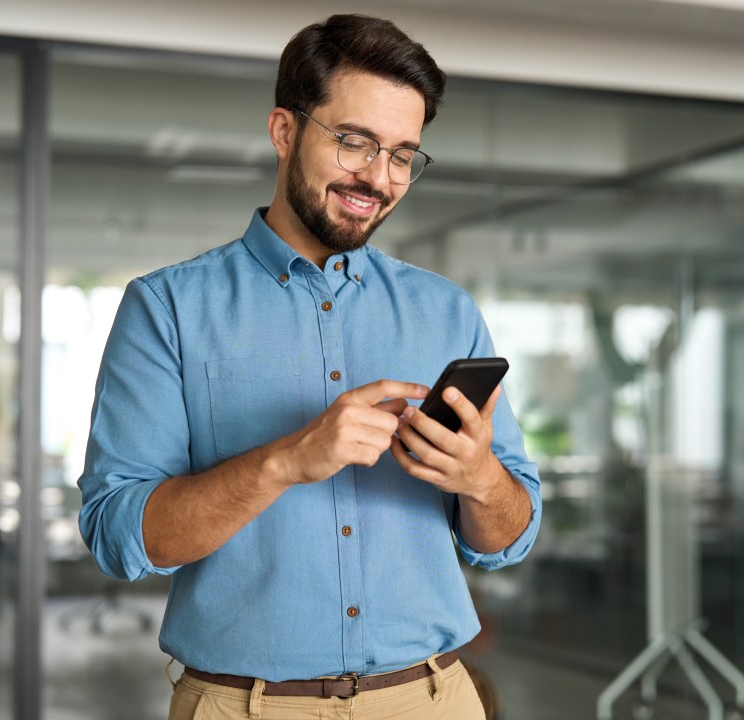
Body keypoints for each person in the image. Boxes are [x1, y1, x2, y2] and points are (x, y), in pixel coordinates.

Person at [78, 14, 542, 720]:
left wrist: (480, 479)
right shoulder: (167, 308)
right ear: (285, 131)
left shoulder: (447, 312)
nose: (377, 178)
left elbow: (511, 538)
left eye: (401, 155)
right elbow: (119, 534)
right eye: (354, 143)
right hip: (245, 707)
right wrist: (288, 459)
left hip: (431, 700)